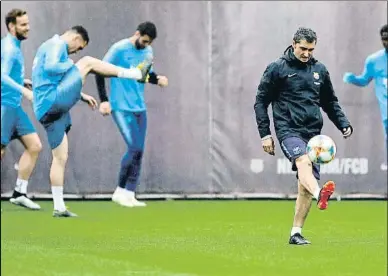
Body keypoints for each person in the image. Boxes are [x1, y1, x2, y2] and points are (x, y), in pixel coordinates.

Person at [32, 25, 152, 217]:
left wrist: (80, 95)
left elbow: (47, 79)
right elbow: (52, 67)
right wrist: (73, 64)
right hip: (53, 101)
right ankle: (134, 74)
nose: (76, 51)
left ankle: (59, 207)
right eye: (79, 47)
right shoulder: (57, 44)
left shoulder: (45, 47)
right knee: (87, 62)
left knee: (60, 157)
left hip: (44, 109)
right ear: (76, 38)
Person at [254, 27, 353, 245]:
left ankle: (295, 233)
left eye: (311, 49)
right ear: (293, 43)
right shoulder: (276, 68)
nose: (306, 53)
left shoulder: (320, 70)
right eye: (303, 48)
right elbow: (260, 102)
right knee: (303, 161)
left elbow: (329, 102)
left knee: (304, 185)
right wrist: (265, 135)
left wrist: (343, 124)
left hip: (314, 134)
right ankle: (321, 195)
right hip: (288, 128)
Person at [95, 21, 168, 207]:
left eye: (149, 43)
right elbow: (99, 71)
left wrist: (157, 79)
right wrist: (104, 100)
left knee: (139, 151)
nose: (145, 45)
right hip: (120, 106)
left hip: (139, 107)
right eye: (144, 41)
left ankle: (129, 193)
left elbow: (144, 74)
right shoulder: (119, 49)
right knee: (134, 147)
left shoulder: (148, 52)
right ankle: (119, 191)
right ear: (137, 33)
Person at [1, 8, 41, 210]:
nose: (28, 27)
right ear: (11, 26)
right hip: (4, 106)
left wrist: (21, 82)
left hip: (14, 107)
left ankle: (19, 193)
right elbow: (2, 76)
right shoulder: (9, 48)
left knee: (34, 146)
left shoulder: (13, 46)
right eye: (23, 24)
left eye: (28, 23)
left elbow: (8, 75)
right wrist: (24, 92)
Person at [343, 24, 388, 171]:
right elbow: (364, 80)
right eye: (384, 39)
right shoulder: (374, 61)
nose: (386, 42)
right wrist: (352, 78)